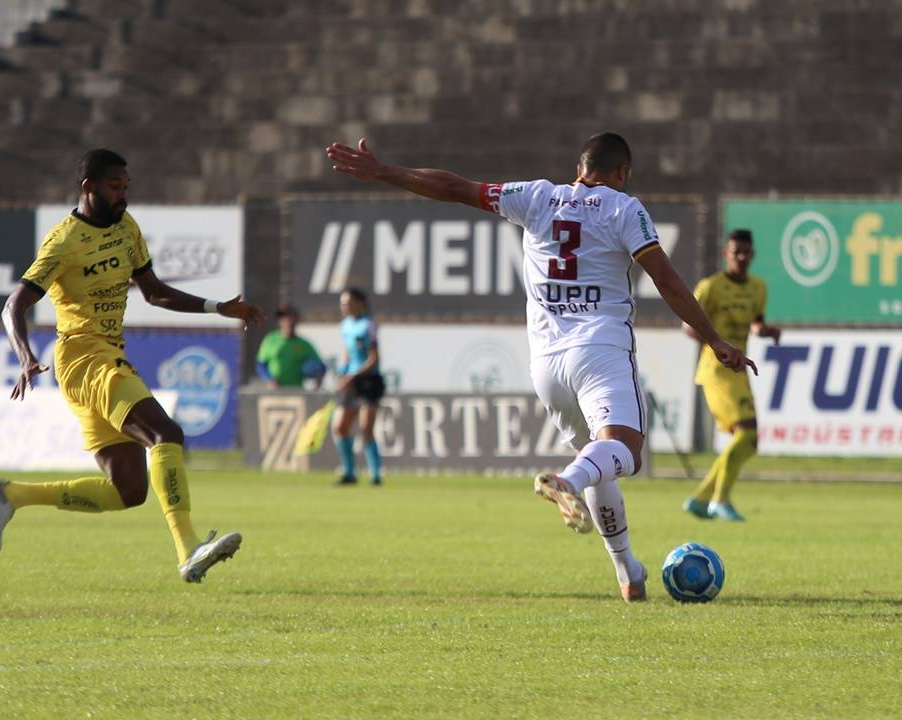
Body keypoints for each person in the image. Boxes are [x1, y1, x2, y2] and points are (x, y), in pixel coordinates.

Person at [325, 134, 755, 601]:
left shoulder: (534, 195)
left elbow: (453, 187)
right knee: (623, 452)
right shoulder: (624, 208)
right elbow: (666, 281)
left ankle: (628, 572)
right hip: (600, 350)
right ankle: (565, 481)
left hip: (547, 366)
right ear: (622, 172)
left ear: (578, 166)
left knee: (597, 461)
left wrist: (386, 171)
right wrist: (713, 338)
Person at [0, 148, 264, 583]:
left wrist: (216, 307)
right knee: (165, 433)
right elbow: (12, 305)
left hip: (103, 357)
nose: (123, 195)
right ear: (88, 187)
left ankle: (11, 495)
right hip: (83, 357)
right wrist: (24, 355)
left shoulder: (126, 227)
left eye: (127, 186)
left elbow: (152, 292)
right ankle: (189, 549)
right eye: (116, 187)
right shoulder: (63, 241)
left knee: (128, 490)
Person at [682, 228, 781, 522]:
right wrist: (717, 343)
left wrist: (765, 331)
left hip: (740, 371)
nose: (741, 258)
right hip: (715, 370)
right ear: (726, 254)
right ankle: (720, 500)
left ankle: (702, 499)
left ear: (752, 255)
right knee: (748, 432)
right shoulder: (711, 286)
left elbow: (755, 323)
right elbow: (688, 325)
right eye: (735, 252)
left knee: (748, 440)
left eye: (746, 253)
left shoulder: (758, 287)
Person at [332, 287, 386, 485]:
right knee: (340, 427)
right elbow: (348, 353)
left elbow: (374, 358)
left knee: (365, 428)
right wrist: (343, 372)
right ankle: (349, 472)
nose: (343, 307)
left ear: (359, 303)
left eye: (347, 303)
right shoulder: (345, 326)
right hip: (351, 381)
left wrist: (354, 375)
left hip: (368, 381)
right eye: (342, 303)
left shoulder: (368, 325)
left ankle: (375, 475)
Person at [255, 304, 326, 389]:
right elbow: (260, 364)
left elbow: (321, 366)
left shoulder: (303, 344)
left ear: (296, 320)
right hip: (275, 391)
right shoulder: (270, 340)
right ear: (279, 321)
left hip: (296, 391)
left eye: (290, 318)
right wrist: (269, 380)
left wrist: (318, 376)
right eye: (283, 318)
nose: (287, 321)